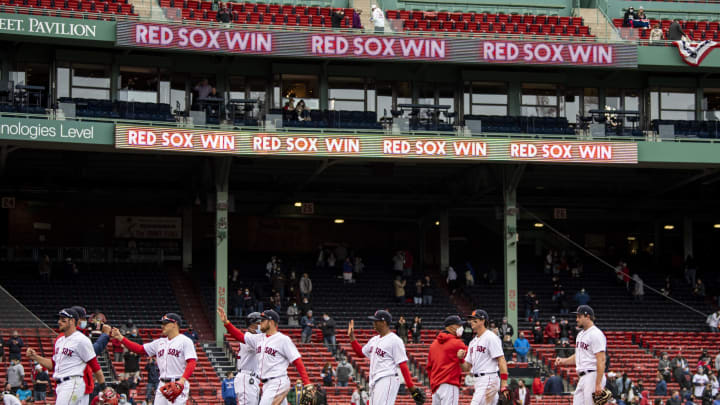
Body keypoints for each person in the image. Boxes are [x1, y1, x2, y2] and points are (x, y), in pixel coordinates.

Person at [111, 313, 197, 405]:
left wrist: (182, 381)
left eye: (165, 323)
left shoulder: (185, 341)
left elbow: (192, 362)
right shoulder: (159, 342)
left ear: (174, 324)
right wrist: (120, 338)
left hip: (178, 382)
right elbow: (140, 349)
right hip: (162, 384)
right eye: (162, 323)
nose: (162, 326)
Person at [26, 308, 106, 405]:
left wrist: (104, 387)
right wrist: (35, 357)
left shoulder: (81, 339)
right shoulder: (60, 341)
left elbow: (95, 366)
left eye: (63, 320)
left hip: (72, 383)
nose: (59, 322)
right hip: (62, 385)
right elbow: (53, 364)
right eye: (59, 319)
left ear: (72, 321)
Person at [347, 310, 422, 404]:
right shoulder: (374, 340)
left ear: (384, 322)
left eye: (376, 321)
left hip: (387, 379)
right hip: (375, 381)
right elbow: (361, 353)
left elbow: (402, 364)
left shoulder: (395, 340)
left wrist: (411, 386)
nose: (374, 323)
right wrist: (352, 337)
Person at [554, 305, 607, 405]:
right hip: (583, 377)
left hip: (592, 375)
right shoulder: (580, 334)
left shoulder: (596, 334)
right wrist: (563, 361)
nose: (577, 319)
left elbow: (601, 359)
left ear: (587, 317)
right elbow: (578, 356)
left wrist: (598, 383)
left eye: (579, 316)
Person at [461, 309, 509, 405]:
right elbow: (466, 367)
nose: (471, 322)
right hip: (478, 381)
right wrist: (460, 358)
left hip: (489, 378)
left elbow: (501, 360)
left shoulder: (491, 337)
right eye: (471, 320)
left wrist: (504, 383)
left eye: (475, 320)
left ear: (483, 321)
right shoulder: (472, 342)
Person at [218, 309, 262, 405]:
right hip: (247, 378)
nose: (261, 325)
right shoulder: (251, 337)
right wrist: (227, 323)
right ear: (252, 325)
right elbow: (238, 335)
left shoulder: (255, 337)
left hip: (251, 378)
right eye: (259, 322)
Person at [427, 315, 468, 405]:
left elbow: (429, 368)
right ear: (451, 327)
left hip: (435, 387)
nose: (461, 327)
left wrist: (433, 383)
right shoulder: (458, 343)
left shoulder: (433, 344)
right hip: (450, 384)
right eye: (459, 325)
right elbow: (469, 362)